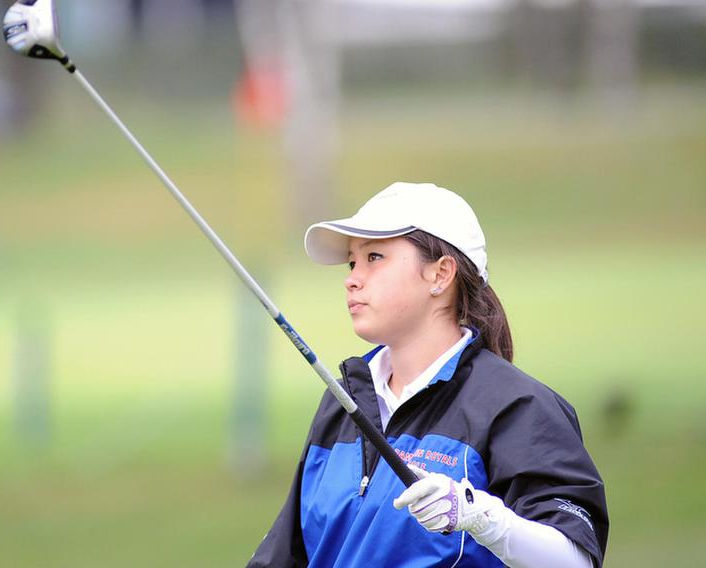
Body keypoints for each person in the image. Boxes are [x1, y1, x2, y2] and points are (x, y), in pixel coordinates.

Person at [248, 182, 608, 567]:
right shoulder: (344, 402)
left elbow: (575, 560)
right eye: (353, 262)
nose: (352, 278)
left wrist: (478, 515)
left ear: (440, 275)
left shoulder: (517, 406)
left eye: (374, 257)